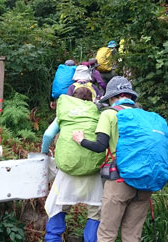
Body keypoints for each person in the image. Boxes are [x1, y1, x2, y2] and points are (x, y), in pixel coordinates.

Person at [72, 76, 153, 242]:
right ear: (130, 96)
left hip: (120, 180)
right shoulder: (145, 115)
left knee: (107, 234)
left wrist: (81, 140)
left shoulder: (109, 114)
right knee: (132, 236)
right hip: (145, 180)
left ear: (113, 97)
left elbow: (100, 146)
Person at [41, 87, 106, 242]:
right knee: (95, 211)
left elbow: (48, 134)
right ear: (91, 101)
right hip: (93, 171)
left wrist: (44, 152)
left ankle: (53, 238)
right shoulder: (97, 113)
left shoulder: (65, 112)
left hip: (67, 171)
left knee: (57, 207)